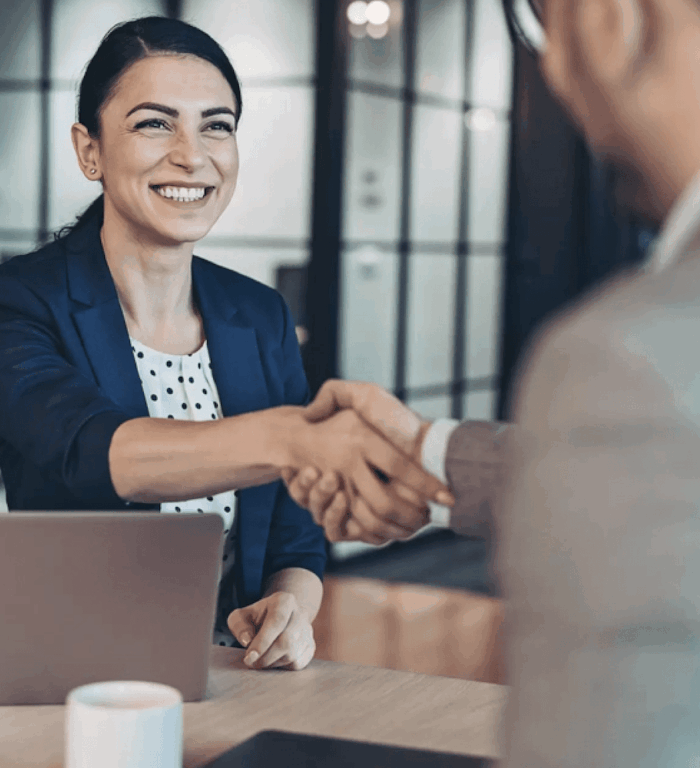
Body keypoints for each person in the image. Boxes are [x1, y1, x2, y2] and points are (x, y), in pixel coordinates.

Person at [0, 17, 451, 672]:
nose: (193, 154)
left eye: (216, 125)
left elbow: (295, 536)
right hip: (75, 673)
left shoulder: (259, 313)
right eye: (154, 123)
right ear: (90, 150)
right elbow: (91, 450)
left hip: (231, 677)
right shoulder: (11, 302)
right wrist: (294, 436)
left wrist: (289, 607)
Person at [285, 0, 700, 762]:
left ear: (612, 21)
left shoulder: (632, 358)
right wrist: (426, 452)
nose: (556, 73)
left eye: (547, 30)